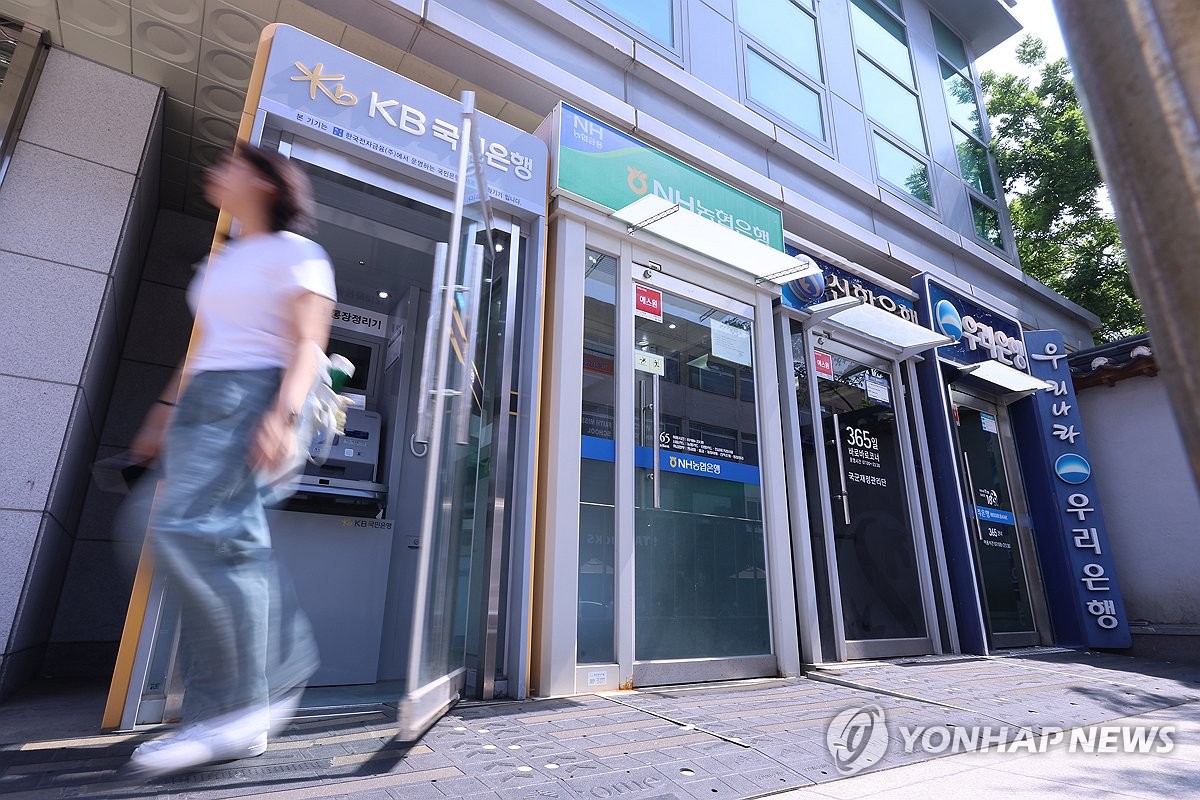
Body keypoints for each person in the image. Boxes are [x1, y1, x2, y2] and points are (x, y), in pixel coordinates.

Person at [122, 143, 333, 780]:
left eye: (231, 164)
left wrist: (282, 415)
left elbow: (308, 343)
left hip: (254, 394)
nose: (215, 171)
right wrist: (164, 411)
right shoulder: (224, 259)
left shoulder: (298, 254)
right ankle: (222, 716)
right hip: (204, 402)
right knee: (198, 545)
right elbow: (205, 345)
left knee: (193, 534)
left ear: (266, 182)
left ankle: (250, 700)